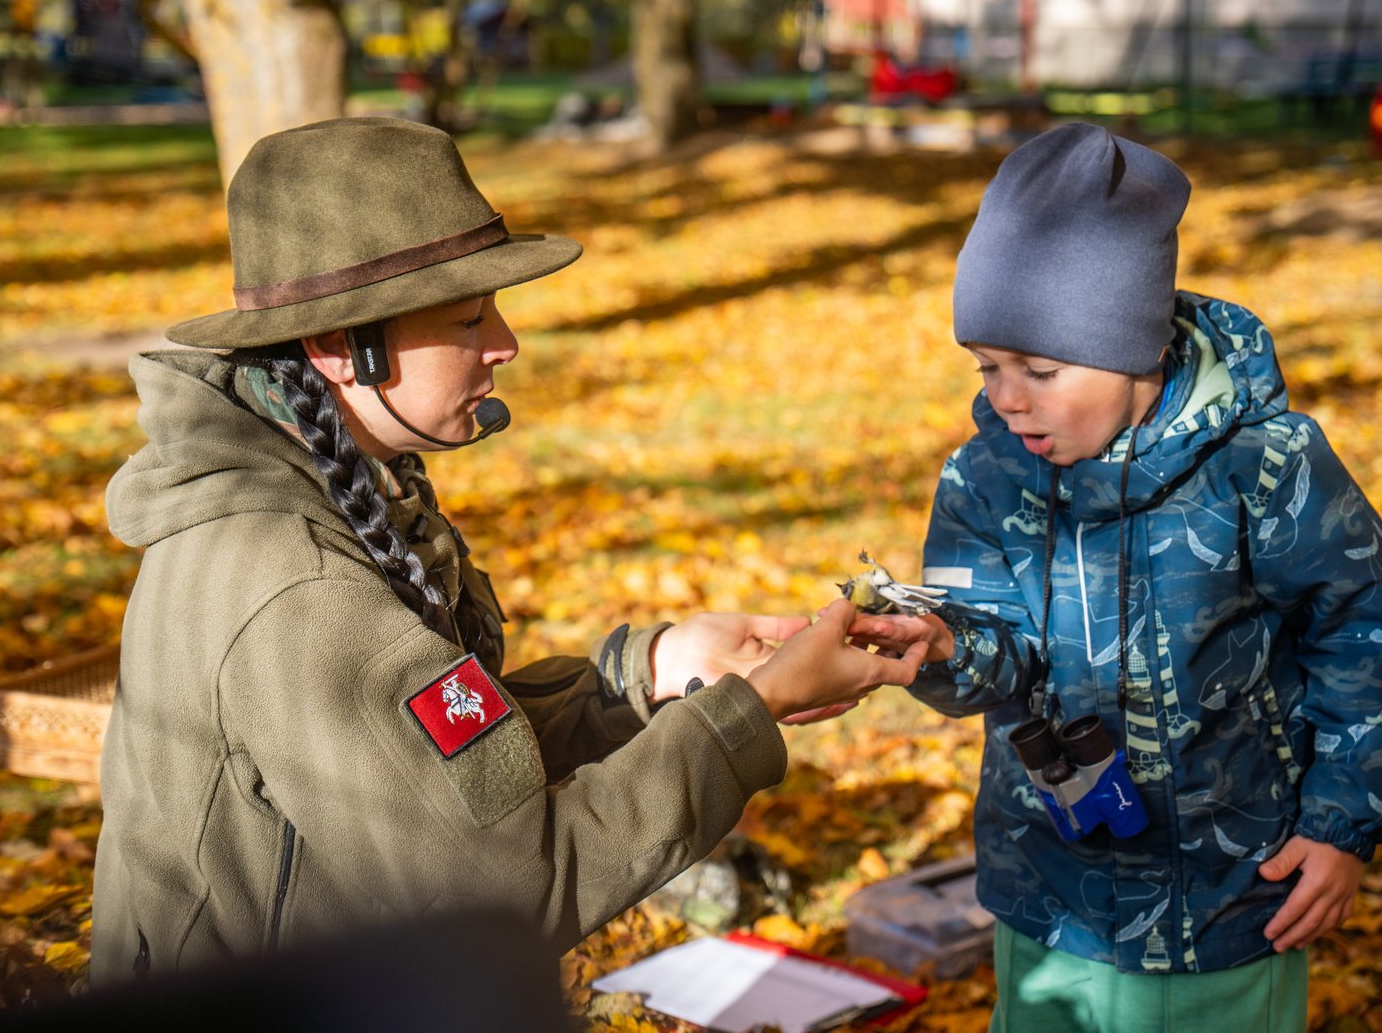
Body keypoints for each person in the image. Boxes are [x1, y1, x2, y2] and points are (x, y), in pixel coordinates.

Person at [88, 117, 921, 984]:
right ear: (340, 348)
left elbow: (441, 772)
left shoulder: (332, 486)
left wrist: (649, 672)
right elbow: (508, 893)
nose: (505, 343)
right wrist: (752, 707)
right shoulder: (302, 588)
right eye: (467, 317)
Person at [861, 123, 1382, 1031]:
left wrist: (1340, 824)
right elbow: (995, 651)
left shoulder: (1264, 467)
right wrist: (939, 646)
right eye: (988, 366)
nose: (1006, 396)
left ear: (1138, 348)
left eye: (1041, 369)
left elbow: (1364, 637)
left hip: (1233, 896)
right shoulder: (984, 477)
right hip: (1053, 896)